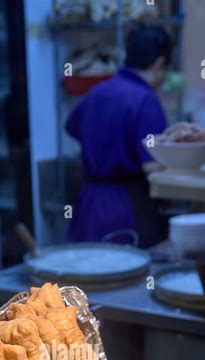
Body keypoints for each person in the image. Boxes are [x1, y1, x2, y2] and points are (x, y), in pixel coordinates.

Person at [66, 25, 172, 248]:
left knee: (87, 277)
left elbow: (72, 127)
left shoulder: (97, 91)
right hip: (127, 207)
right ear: (160, 65)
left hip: (88, 204)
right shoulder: (145, 100)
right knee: (128, 278)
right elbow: (152, 166)